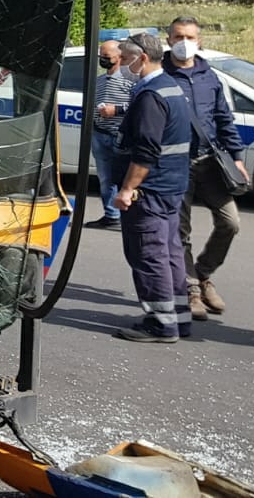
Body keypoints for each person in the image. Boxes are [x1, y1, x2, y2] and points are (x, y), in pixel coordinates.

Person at [111, 31, 195, 344]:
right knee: (170, 253)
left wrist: (127, 189)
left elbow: (146, 150)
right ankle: (178, 318)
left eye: (126, 58)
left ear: (143, 58)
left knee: (149, 255)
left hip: (150, 191)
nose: (121, 64)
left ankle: (161, 324)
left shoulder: (151, 96)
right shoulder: (171, 87)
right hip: (171, 187)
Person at [161, 16, 244, 320]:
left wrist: (236, 157)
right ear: (168, 39)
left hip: (209, 162)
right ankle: (192, 289)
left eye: (190, 37)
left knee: (230, 223)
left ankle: (204, 272)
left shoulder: (209, 76)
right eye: (179, 36)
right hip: (174, 164)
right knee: (180, 232)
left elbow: (224, 119)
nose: (185, 42)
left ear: (200, 41)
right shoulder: (161, 75)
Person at [84, 39, 136, 230]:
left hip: (120, 137)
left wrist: (117, 110)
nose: (102, 60)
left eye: (106, 57)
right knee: (105, 178)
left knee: (125, 178)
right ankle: (111, 215)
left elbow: (140, 105)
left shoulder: (131, 80)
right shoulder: (99, 81)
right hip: (100, 135)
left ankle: (129, 217)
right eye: (101, 57)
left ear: (120, 57)